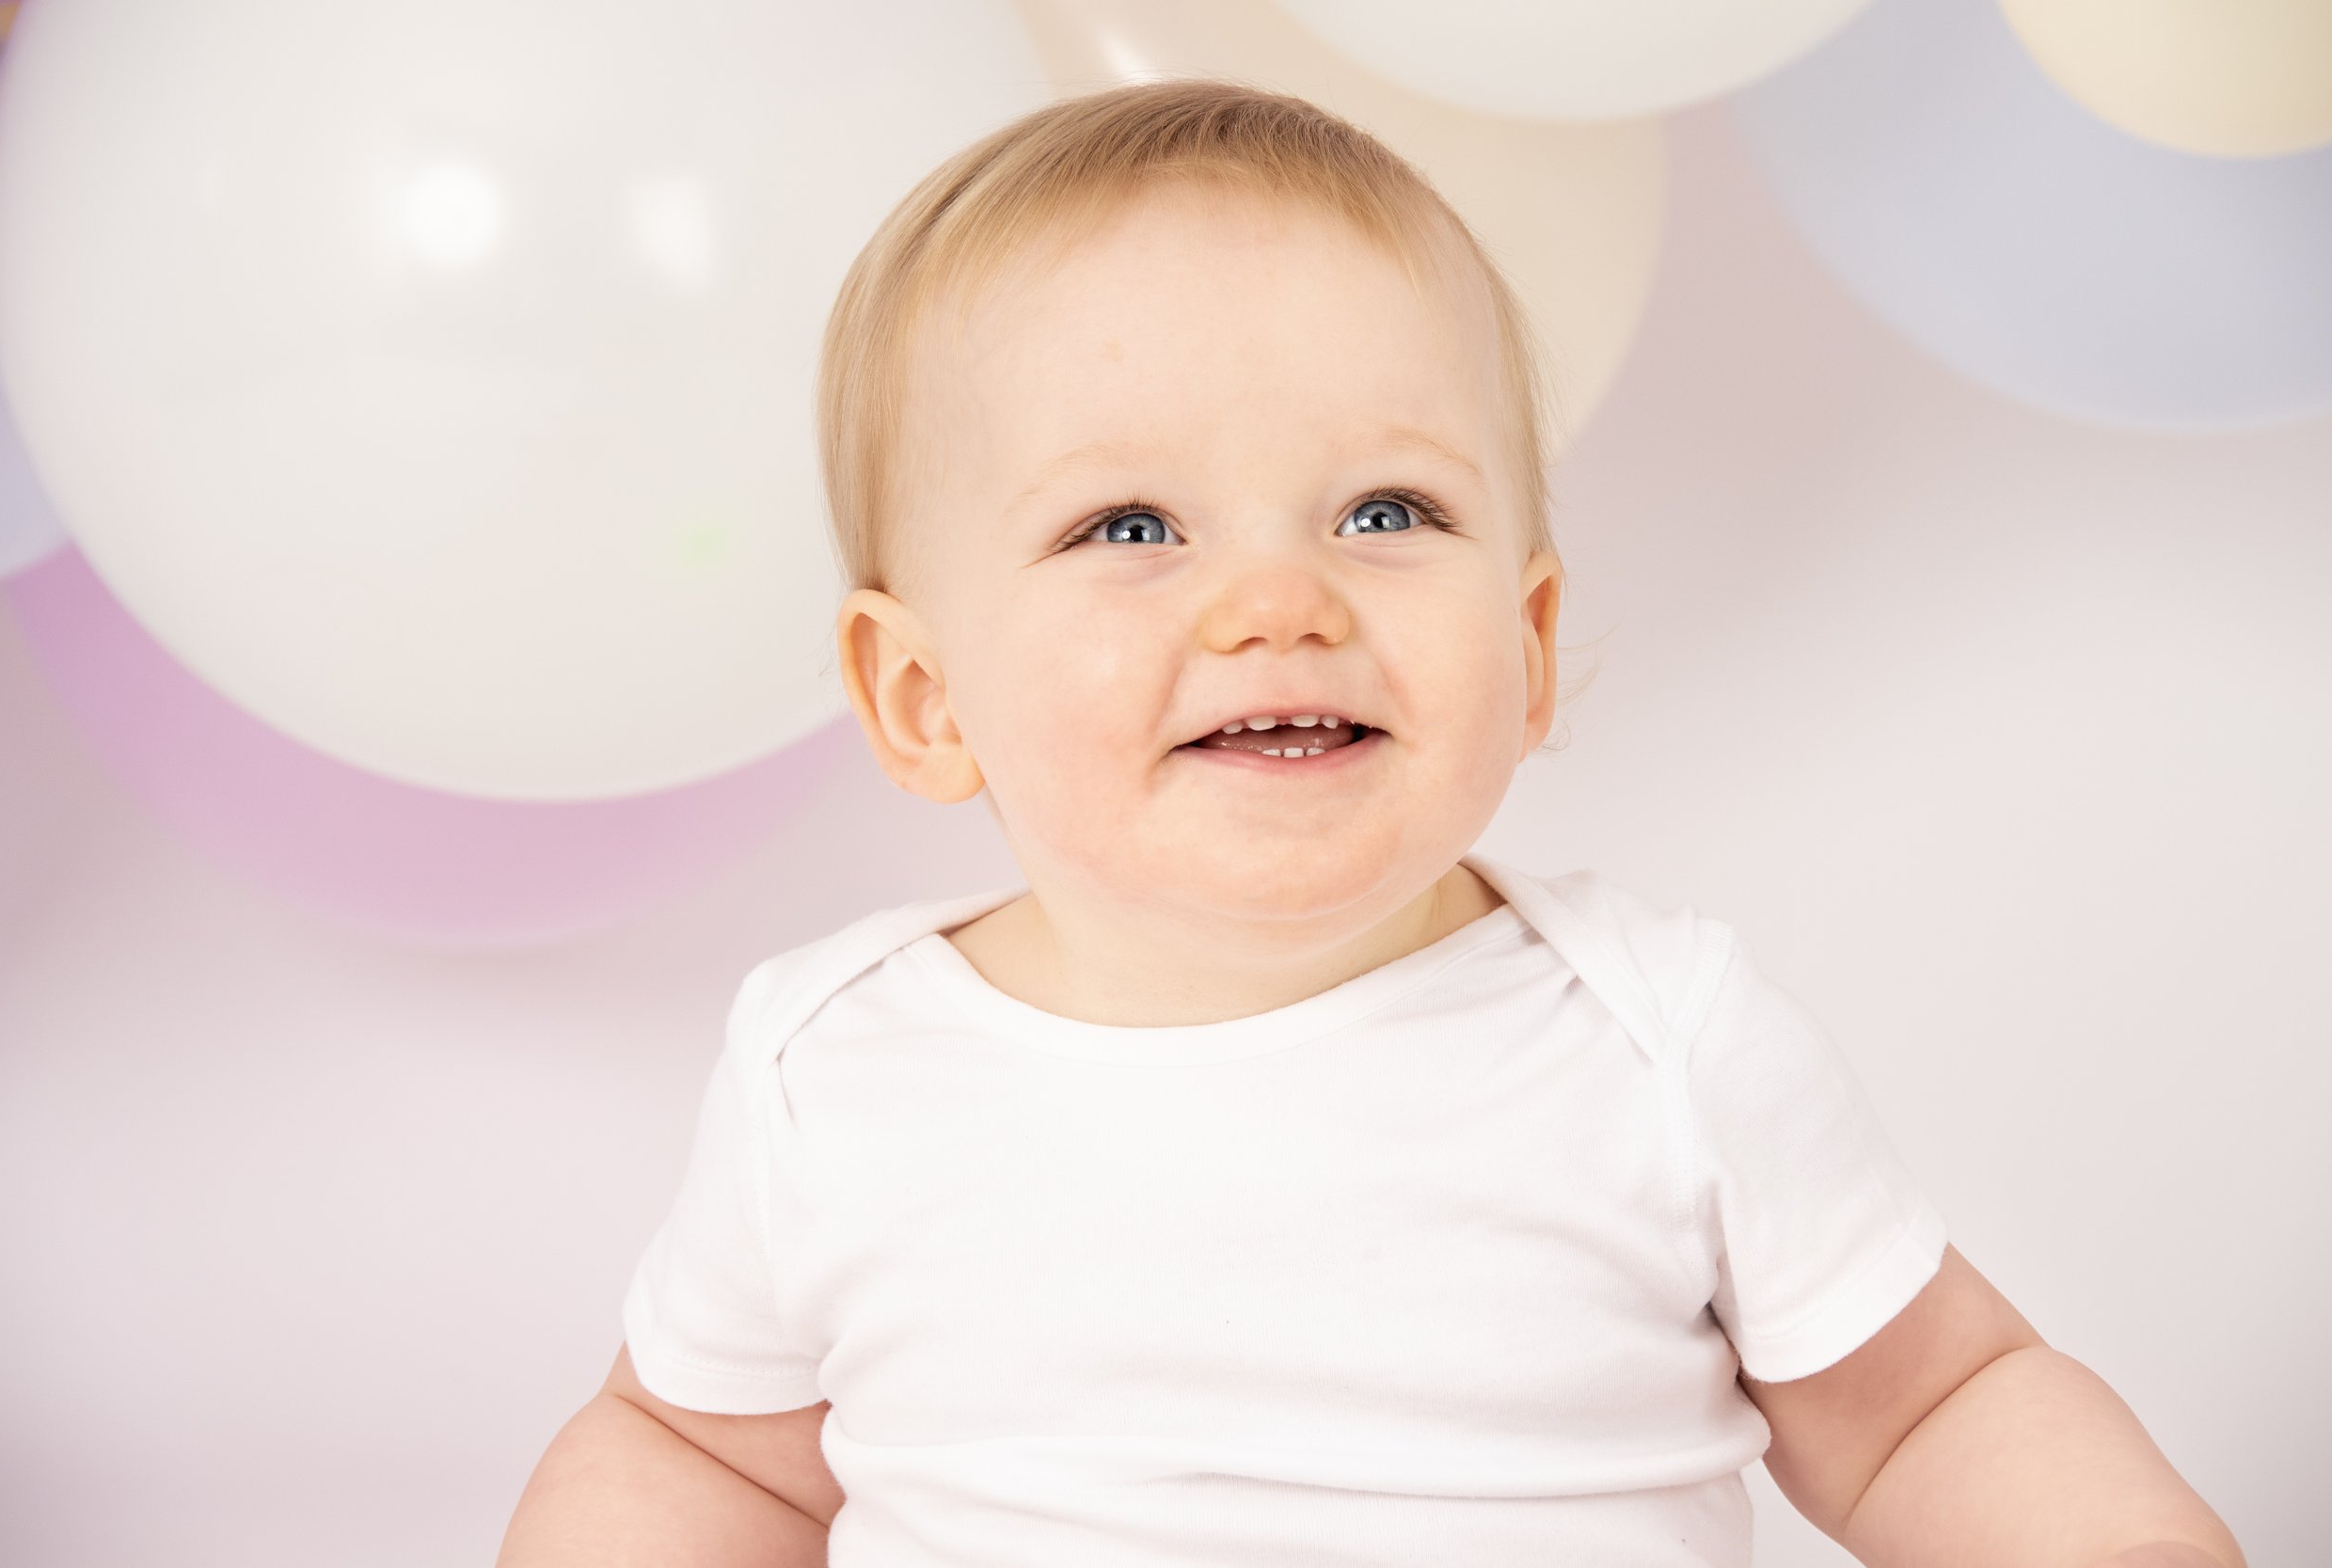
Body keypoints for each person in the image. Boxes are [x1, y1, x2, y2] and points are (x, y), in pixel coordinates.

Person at [498, 79, 2245, 1568]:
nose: (1277, 600)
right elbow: (699, 1454)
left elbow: (1929, 1408)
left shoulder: (1652, 1035)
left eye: (1385, 508)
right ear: (923, 699)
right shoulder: (833, 1071)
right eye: (1127, 528)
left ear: (1533, 642)